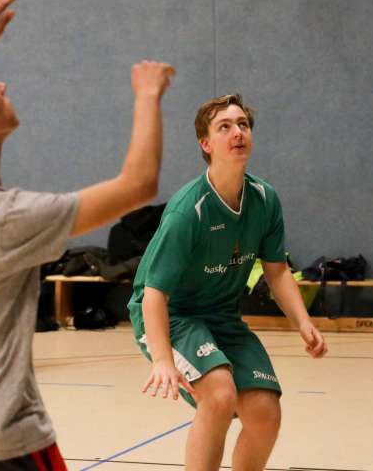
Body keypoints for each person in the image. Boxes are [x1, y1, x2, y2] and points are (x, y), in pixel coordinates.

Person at [0, 0, 174, 470]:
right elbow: (139, 184)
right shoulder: (4, 219)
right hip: (1, 439)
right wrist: (148, 94)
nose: (1, 86)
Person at [128, 94, 328, 471]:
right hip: (172, 315)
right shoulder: (188, 211)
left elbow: (276, 270)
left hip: (221, 316)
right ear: (206, 144)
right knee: (219, 394)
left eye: (243, 125)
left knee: (265, 412)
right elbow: (154, 294)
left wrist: (302, 321)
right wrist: (163, 360)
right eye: (225, 127)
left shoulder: (264, 199)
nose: (237, 132)